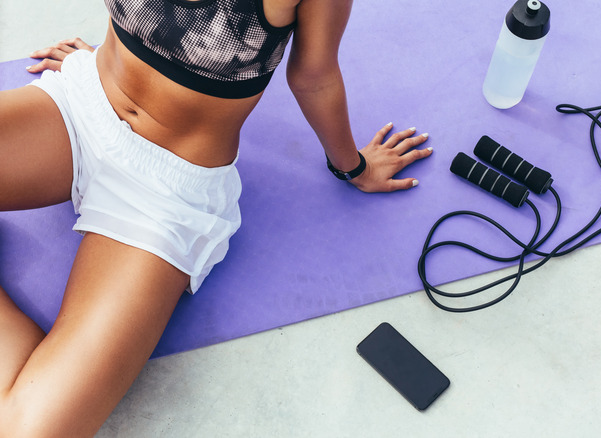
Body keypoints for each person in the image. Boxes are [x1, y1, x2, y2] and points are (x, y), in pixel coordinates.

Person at [0, 0, 432, 435]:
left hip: (168, 191)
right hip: (81, 105)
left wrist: (355, 167)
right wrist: (97, 56)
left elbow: (313, 77)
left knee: (27, 430)